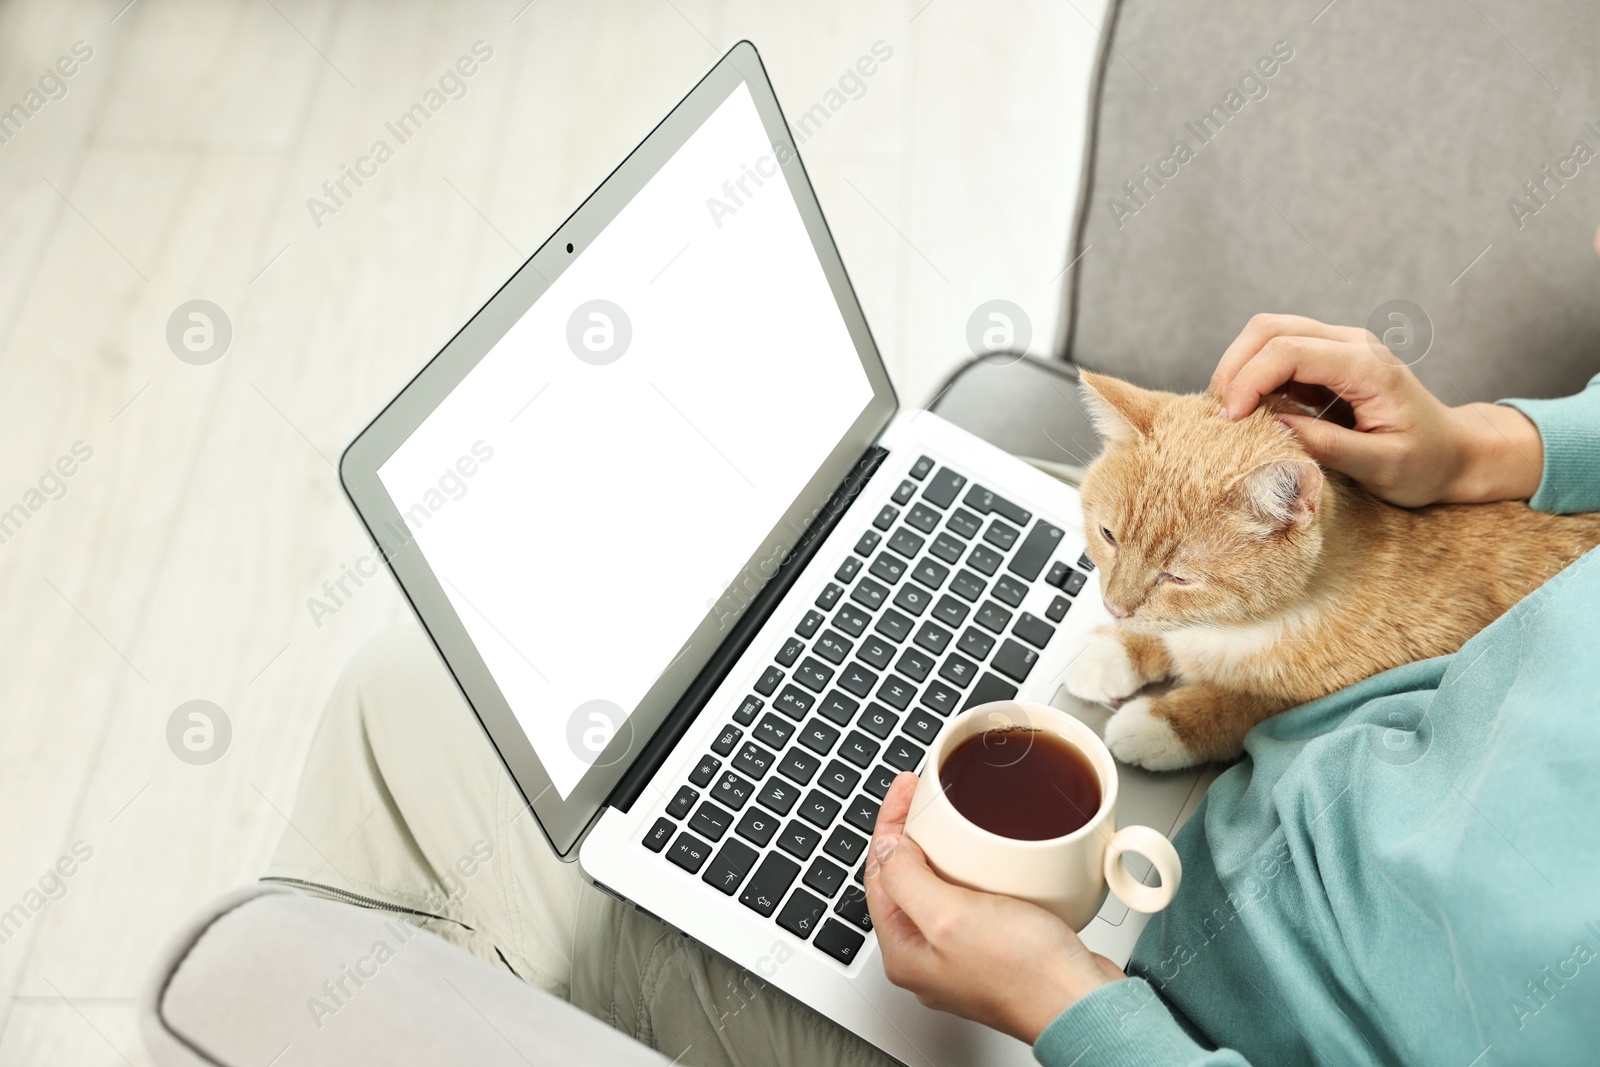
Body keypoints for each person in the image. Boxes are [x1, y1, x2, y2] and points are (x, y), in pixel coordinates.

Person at [267, 317, 1600, 1067]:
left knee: (417, 717)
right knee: (436, 683)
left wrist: (1060, 1001)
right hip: (1260, 774)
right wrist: (1506, 441)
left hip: (1151, 1017)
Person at [865, 316, 1600, 1066]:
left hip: (1150, 1016)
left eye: (1171, 580)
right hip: (1199, 840)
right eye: (1109, 542)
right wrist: (1474, 449)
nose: (1114, 598)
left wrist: (1060, 1002)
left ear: (1291, 517)